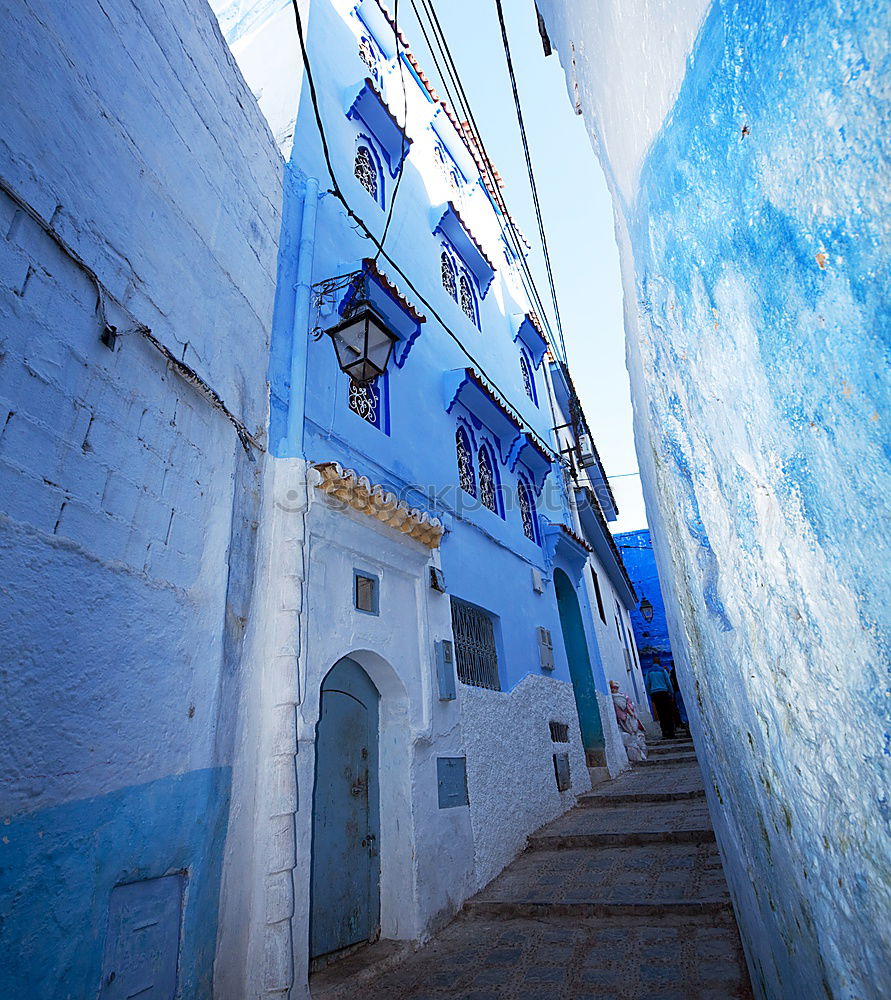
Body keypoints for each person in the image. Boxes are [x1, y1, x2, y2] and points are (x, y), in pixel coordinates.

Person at [610, 679, 647, 762]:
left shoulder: (620, 697)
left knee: (632, 734)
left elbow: (626, 706)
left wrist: (631, 713)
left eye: (615, 688)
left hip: (624, 718)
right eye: (613, 688)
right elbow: (627, 707)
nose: (614, 690)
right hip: (623, 718)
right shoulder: (620, 697)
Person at [645, 660, 677, 739]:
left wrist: (650, 693)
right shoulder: (662, 670)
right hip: (664, 693)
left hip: (655, 694)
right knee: (668, 713)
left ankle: (664, 732)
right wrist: (671, 692)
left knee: (660, 713)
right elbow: (668, 682)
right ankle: (671, 733)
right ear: (659, 662)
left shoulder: (649, 672)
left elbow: (647, 684)